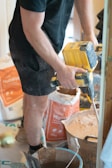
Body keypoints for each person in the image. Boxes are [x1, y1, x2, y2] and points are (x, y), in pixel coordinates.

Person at [8, 0, 98, 155]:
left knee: (34, 94)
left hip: (48, 35)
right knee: (38, 102)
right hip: (31, 45)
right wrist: (61, 68)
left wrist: (89, 32)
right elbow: (31, 29)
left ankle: (25, 129)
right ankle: (36, 152)